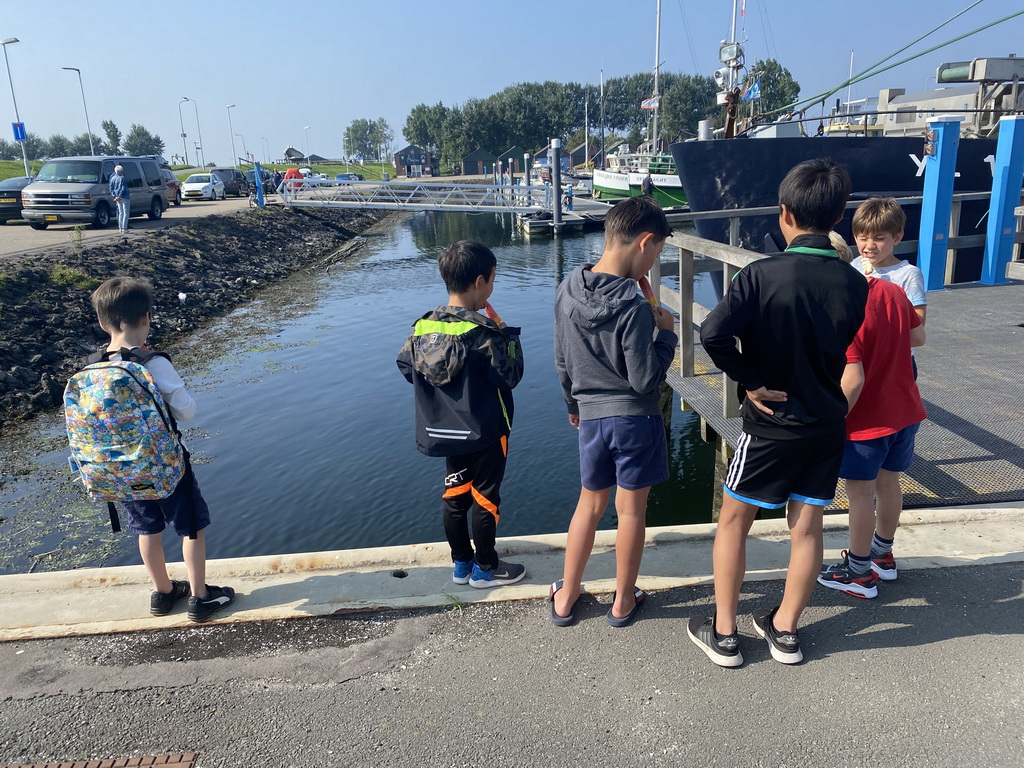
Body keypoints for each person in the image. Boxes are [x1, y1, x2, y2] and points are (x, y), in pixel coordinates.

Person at [687, 159, 868, 667]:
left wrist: (749, 379)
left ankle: (724, 633)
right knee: (807, 528)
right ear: (837, 216)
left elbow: (712, 334)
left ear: (785, 214)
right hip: (827, 422)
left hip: (772, 424)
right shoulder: (857, 284)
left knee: (734, 522)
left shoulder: (759, 275)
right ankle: (785, 629)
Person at [551, 196, 677, 627]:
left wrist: (573, 404)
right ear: (644, 242)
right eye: (657, 253)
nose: (652, 265)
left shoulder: (568, 287)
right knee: (630, 513)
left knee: (588, 504)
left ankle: (566, 595)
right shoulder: (633, 303)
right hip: (634, 419)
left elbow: (562, 359)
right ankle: (623, 602)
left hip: (590, 416)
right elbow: (645, 380)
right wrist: (666, 337)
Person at [88, 277, 235, 622]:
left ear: (101, 321)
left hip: (122, 473)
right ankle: (200, 598)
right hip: (166, 468)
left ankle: (163, 593)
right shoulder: (151, 362)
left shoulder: (92, 366)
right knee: (191, 528)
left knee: (146, 528)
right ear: (147, 317)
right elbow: (186, 410)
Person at [397, 241, 526, 589]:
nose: (493, 287)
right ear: (481, 281)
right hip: (484, 431)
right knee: (485, 499)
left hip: (445, 433)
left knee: (455, 496)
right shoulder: (483, 333)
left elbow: (407, 368)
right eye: (494, 280)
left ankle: (460, 566)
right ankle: (486, 569)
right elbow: (511, 375)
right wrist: (507, 333)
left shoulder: (422, 328)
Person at [818, 275, 926, 598]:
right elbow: (918, 336)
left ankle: (859, 571)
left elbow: (853, 380)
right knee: (889, 484)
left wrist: (832, 423)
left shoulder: (843, 309)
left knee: (860, 496)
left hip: (867, 421)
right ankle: (882, 554)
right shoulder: (892, 290)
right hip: (905, 410)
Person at [849, 197, 927, 378]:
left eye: (879, 238)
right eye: (863, 238)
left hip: (896, 362)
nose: (869, 246)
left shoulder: (908, 274)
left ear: (897, 237)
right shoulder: (854, 267)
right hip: (861, 357)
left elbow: (919, 324)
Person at [109, 165, 130, 234]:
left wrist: (115, 196)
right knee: (126, 213)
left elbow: (111, 188)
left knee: (120, 213)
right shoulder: (122, 178)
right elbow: (123, 188)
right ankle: (125, 228)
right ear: (121, 171)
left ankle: (120, 228)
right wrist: (120, 196)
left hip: (116, 197)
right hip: (124, 197)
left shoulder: (112, 178)